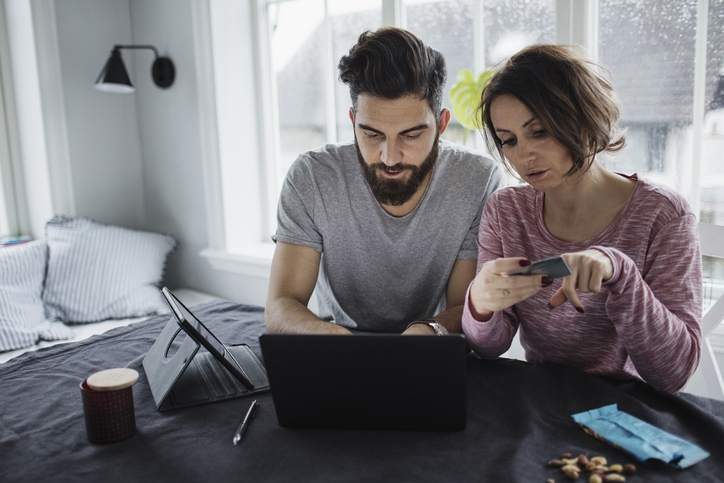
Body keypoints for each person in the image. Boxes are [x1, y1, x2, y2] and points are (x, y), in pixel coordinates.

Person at [463, 44, 702, 393]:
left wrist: (619, 271)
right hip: (544, 405)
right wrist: (479, 304)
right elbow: (490, 346)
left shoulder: (663, 215)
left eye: (540, 131)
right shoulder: (506, 211)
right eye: (508, 141)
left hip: (633, 411)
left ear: (584, 117)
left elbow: (674, 372)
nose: (523, 155)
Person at [265, 28, 500, 336]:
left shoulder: (476, 180)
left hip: (428, 344)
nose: (389, 157)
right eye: (372, 134)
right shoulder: (311, 177)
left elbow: (465, 307)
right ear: (352, 121)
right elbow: (282, 302)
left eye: (411, 135)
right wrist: (328, 337)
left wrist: (429, 331)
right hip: (337, 342)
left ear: (441, 124)